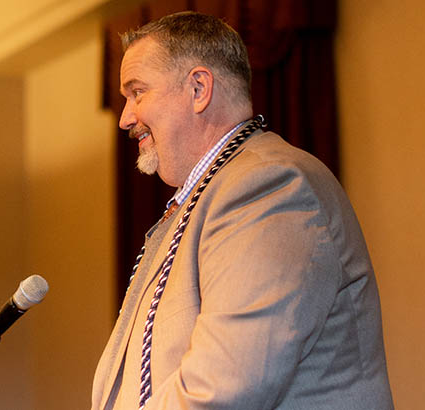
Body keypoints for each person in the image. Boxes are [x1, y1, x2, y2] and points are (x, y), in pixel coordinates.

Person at [91, 12, 393, 410]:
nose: (126, 117)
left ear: (199, 88)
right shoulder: (205, 196)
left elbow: (224, 387)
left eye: (137, 91)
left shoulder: (267, 186)